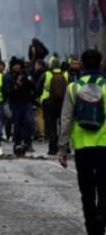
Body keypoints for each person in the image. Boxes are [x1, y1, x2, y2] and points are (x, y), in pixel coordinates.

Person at [58, 49, 106, 235]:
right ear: (100, 64)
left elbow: (66, 119)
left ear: (83, 65)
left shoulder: (73, 87)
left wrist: (62, 149)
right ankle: (102, 212)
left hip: (82, 147)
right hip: (104, 145)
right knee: (104, 186)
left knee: (86, 191)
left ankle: (91, 228)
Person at [4, 57, 35, 155]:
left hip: (26, 102)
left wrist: (26, 81)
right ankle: (17, 143)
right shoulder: (8, 77)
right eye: (15, 65)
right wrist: (16, 85)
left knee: (28, 122)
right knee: (17, 124)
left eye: (19, 65)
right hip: (15, 103)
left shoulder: (26, 74)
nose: (17, 67)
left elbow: (33, 86)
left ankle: (28, 142)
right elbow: (8, 91)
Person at [40, 59, 69, 155]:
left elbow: (38, 87)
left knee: (51, 126)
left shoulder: (46, 74)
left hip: (48, 102)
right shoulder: (65, 75)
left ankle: (52, 149)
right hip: (63, 103)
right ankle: (65, 147)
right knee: (64, 125)